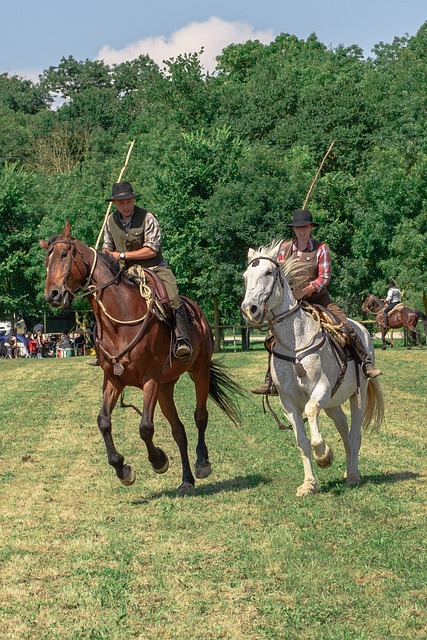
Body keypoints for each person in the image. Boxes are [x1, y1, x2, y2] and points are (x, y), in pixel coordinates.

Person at [251, 209, 382, 394]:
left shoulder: (321, 249)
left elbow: (324, 278)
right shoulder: (284, 249)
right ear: (294, 229)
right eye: (298, 227)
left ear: (311, 227)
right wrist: (289, 293)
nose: (301, 230)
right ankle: (271, 380)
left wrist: (304, 291)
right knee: (273, 336)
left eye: (304, 226)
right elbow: (278, 276)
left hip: (319, 299)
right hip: (291, 302)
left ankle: (366, 364)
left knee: (344, 326)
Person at [87, 181, 192, 365]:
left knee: (172, 297)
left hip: (154, 267)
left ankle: (182, 339)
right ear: (115, 204)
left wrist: (120, 254)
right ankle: (103, 348)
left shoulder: (148, 218)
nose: (126, 206)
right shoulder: (110, 222)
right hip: (125, 272)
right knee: (102, 299)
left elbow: (151, 249)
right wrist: (102, 254)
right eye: (121, 203)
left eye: (129, 201)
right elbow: (107, 248)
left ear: (133, 200)